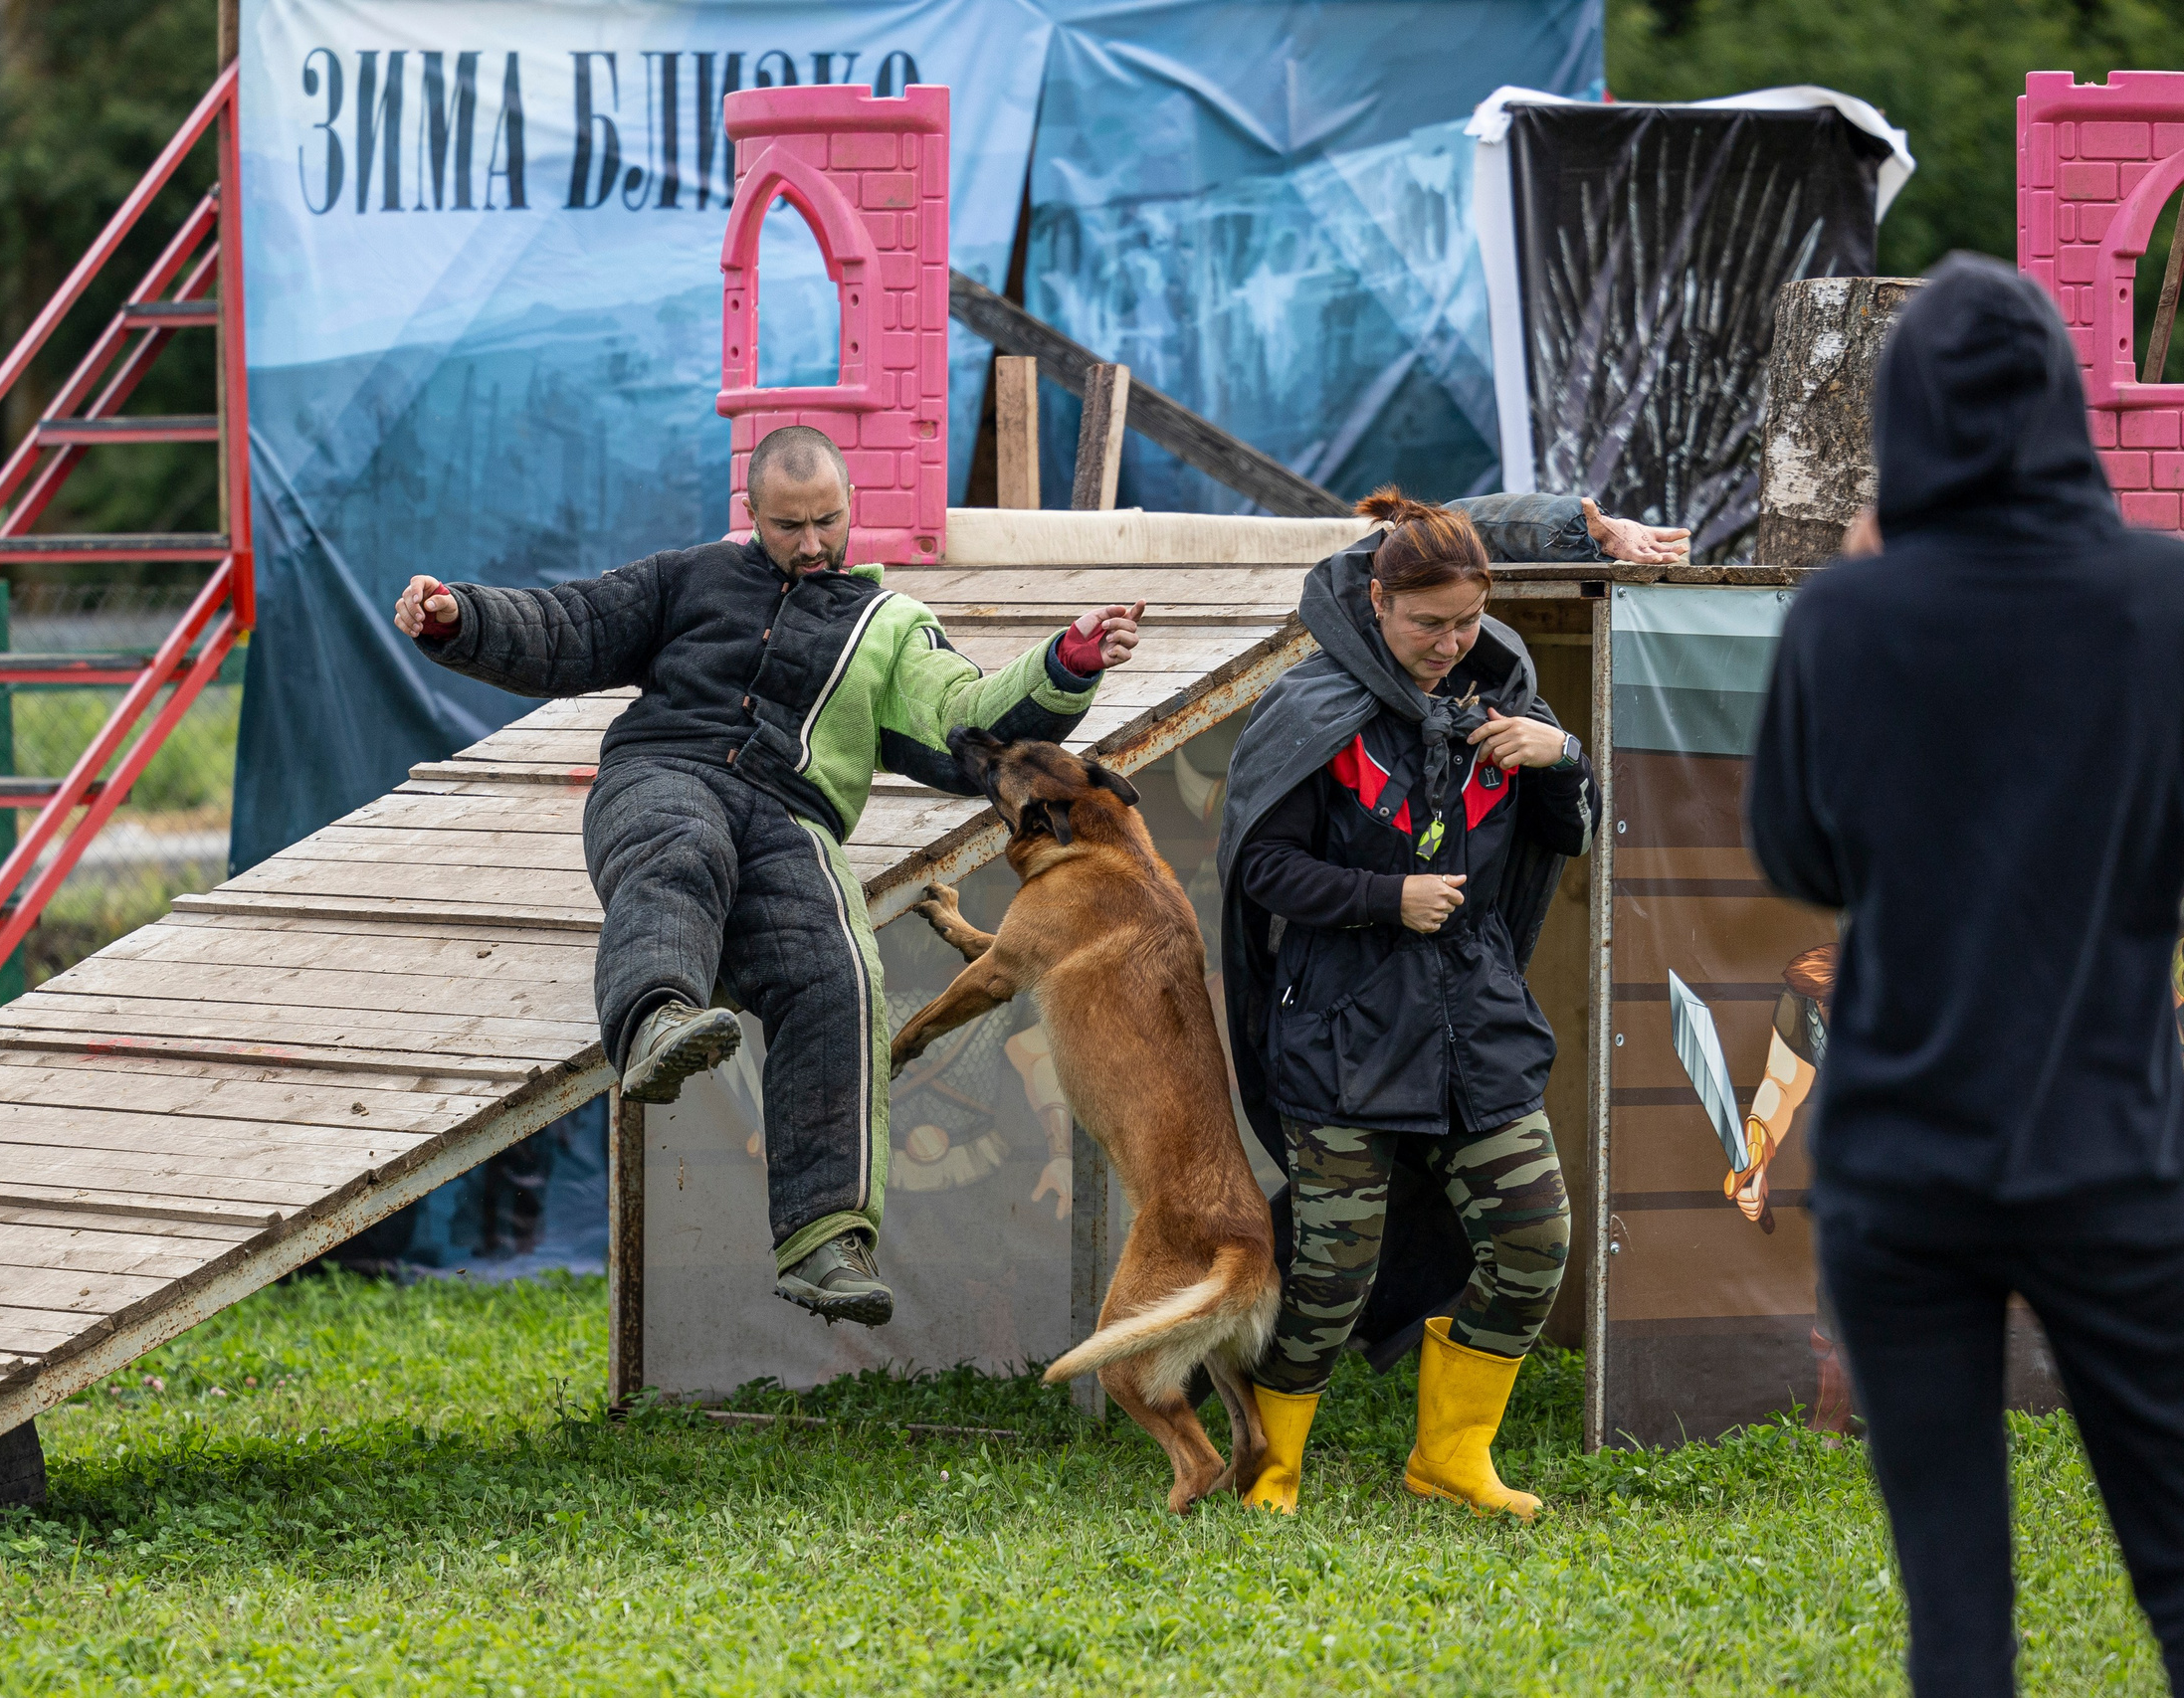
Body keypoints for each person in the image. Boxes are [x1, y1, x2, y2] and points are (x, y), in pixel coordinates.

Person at [391, 425, 1142, 1326]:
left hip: (794, 815)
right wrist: (458, 617)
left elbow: (964, 715)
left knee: (837, 966)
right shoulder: (687, 576)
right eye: (791, 526)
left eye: (829, 521)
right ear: (751, 514)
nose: (815, 543)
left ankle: (825, 1238)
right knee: (680, 849)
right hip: (663, 774)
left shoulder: (889, 627)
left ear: (850, 509)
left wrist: (1067, 661)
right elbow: (572, 628)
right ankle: (656, 1025)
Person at [1747, 253, 2184, 1697]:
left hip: (1903, 1168)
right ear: (2065, 402)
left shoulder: (1843, 616)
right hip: (2113, 1151)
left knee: (1958, 1620)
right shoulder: (2163, 600)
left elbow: (1800, 851)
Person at [1214, 488, 1682, 1517]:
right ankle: (1269, 1467)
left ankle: (1451, 1456)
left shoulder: (1503, 689)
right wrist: (1385, 899)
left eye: (1466, 620)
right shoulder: (1311, 704)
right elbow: (1264, 871)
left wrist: (1557, 756)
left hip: (1476, 1027)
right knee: (1330, 1274)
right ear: (1376, 600)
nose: (1449, 642)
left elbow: (1569, 828)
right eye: (1428, 623)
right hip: (1340, 1032)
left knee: (1533, 1240)